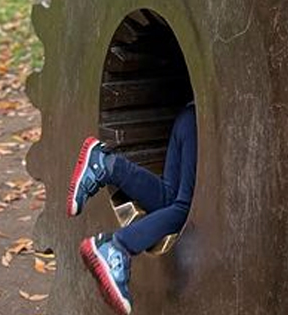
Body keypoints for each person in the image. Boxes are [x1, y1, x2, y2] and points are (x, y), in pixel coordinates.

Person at [67, 101, 197, 315]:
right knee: (185, 209)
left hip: (188, 117)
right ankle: (118, 245)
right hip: (199, 121)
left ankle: (107, 165)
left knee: (168, 199)